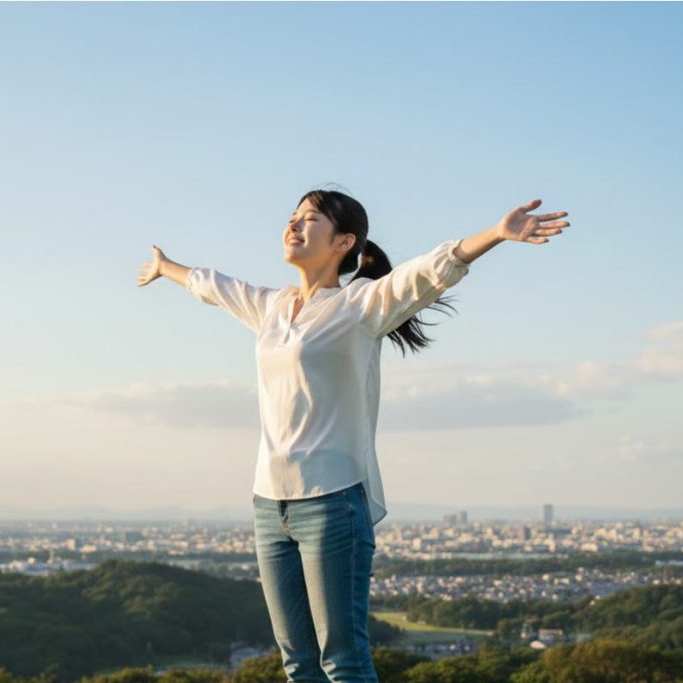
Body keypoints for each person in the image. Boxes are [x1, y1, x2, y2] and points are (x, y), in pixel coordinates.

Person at [137, 189, 570, 682]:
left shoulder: (360, 306)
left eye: (310, 218)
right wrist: (166, 266)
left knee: (342, 660)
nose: (294, 225)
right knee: (297, 661)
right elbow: (212, 285)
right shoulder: (272, 308)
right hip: (268, 505)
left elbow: (428, 271)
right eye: (293, 216)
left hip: (331, 502)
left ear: (344, 241)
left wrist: (496, 233)